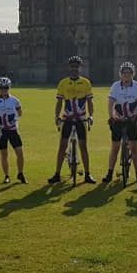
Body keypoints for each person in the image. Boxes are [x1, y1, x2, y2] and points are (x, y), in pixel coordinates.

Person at [48, 56, 95, 184]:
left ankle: (87, 174)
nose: (75, 69)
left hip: (81, 119)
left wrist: (91, 116)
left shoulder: (86, 83)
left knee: (83, 147)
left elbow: (90, 102)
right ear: (70, 68)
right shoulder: (63, 83)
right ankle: (57, 174)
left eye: (77, 66)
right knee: (62, 146)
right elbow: (59, 102)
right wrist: (57, 116)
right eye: (72, 66)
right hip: (67, 118)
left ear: (80, 68)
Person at [103, 61, 137, 185]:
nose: (126, 75)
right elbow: (111, 103)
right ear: (120, 74)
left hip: (131, 119)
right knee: (115, 148)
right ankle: (109, 173)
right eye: (124, 73)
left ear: (133, 74)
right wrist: (112, 116)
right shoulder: (115, 86)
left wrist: (135, 115)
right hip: (118, 118)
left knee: (134, 148)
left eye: (128, 73)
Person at [0, 77, 27, 184]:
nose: (4, 90)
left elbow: (20, 113)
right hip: (1, 131)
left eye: (6, 88)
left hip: (13, 130)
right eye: (2, 88)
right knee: (4, 154)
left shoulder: (15, 100)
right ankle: (6, 175)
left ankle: (20, 173)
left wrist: (13, 118)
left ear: (9, 88)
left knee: (20, 153)